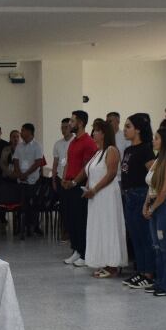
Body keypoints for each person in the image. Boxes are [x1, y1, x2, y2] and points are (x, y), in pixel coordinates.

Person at [82, 120, 125, 277]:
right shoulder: (98, 152)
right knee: (99, 227)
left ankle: (112, 265)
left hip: (106, 195)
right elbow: (91, 173)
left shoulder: (111, 150)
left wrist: (94, 189)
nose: (93, 133)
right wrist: (88, 187)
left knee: (108, 227)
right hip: (96, 196)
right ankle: (103, 261)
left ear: (104, 133)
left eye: (97, 131)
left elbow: (111, 174)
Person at [121, 114, 157, 290]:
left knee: (144, 236)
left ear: (138, 130)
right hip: (128, 195)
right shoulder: (128, 150)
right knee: (135, 235)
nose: (124, 130)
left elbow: (153, 175)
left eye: (128, 126)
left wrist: (149, 200)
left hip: (140, 194)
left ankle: (148, 273)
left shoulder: (145, 149)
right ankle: (140, 270)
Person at [144, 122, 166, 296]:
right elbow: (151, 186)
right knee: (156, 246)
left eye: (157, 138)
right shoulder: (157, 160)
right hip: (154, 205)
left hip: (164, 207)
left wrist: (153, 207)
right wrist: (146, 205)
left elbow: (165, 190)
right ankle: (159, 282)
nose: (153, 141)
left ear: (164, 141)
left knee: (165, 247)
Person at [61, 110, 98, 266]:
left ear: (81, 123)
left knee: (80, 221)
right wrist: (64, 179)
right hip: (68, 185)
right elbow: (68, 163)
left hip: (79, 185)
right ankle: (76, 249)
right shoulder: (73, 141)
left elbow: (86, 167)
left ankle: (84, 253)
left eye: (72, 121)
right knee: (71, 220)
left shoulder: (88, 142)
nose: (70, 123)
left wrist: (75, 182)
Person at [12, 122, 45, 238]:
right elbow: (15, 160)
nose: (21, 133)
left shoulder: (37, 146)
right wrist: (19, 174)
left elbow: (38, 163)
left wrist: (26, 174)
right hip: (21, 180)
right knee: (21, 204)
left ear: (29, 132)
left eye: (23, 130)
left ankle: (34, 226)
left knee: (33, 204)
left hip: (33, 180)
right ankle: (21, 227)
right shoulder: (19, 146)